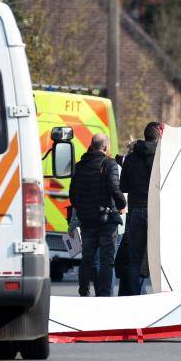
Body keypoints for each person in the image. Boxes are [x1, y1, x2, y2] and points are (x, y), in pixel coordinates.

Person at [69, 133, 126, 296]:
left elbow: (72, 195)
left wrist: (82, 209)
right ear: (106, 147)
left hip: (87, 220)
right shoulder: (110, 164)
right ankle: (104, 295)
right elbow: (115, 189)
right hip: (106, 221)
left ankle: (84, 290)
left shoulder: (79, 166)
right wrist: (122, 204)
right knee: (106, 260)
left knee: (87, 257)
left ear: (92, 145)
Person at [119, 122, 161, 295]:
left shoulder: (130, 158)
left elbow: (123, 187)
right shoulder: (162, 157)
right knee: (158, 257)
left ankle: (135, 296)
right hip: (156, 211)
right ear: (159, 136)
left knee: (134, 258)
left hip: (136, 210)